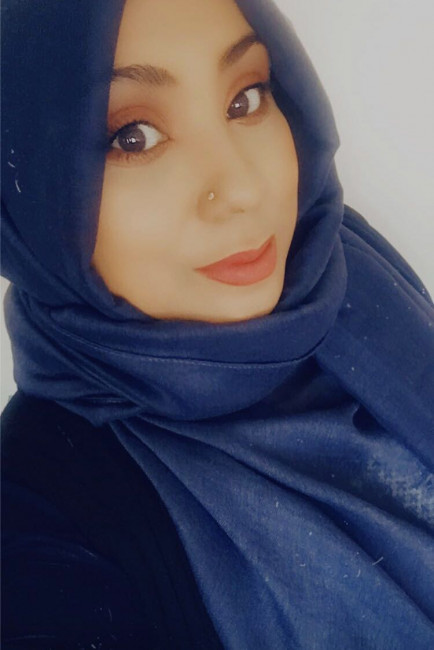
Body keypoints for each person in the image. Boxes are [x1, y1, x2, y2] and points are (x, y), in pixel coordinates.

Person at [1, 0, 433, 648]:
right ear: (30, 188)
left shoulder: (351, 279)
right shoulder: (40, 516)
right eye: (133, 136)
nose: (241, 189)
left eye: (245, 98)